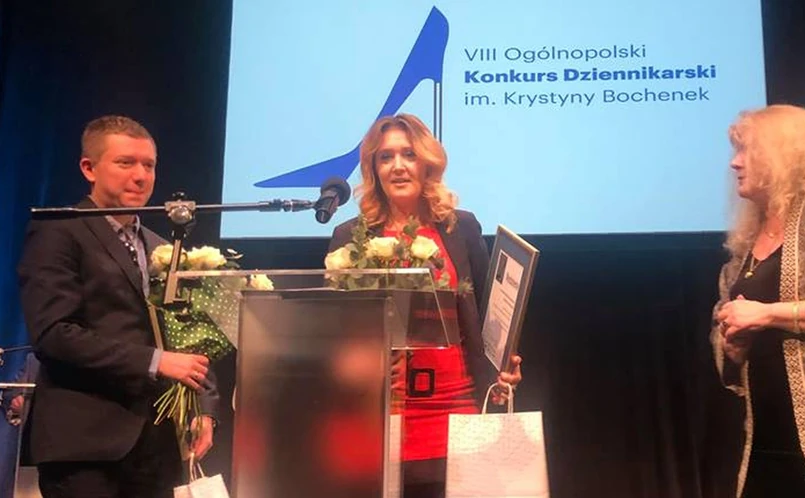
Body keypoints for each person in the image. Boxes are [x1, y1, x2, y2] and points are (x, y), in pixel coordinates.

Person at [17, 115, 219, 498]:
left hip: (157, 444)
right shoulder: (58, 232)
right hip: (86, 447)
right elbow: (54, 334)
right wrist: (155, 360)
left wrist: (203, 407)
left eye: (149, 165)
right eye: (126, 163)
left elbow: (189, 334)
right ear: (89, 168)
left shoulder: (161, 246)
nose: (140, 176)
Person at [328, 113, 522, 498]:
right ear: (373, 168)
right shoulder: (349, 237)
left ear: (427, 163)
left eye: (409, 154)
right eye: (386, 157)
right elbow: (334, 335)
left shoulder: (460, 227)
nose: (398, 166)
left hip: (457, 411)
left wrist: (503, 365)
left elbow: (485, 312)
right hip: (379, 417)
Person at [712, 104, 805, 497]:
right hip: (767, 434)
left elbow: (760, 314)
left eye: (746, 150)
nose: (735, 163)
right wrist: (733, 345)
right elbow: (725, 319)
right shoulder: (750, 239)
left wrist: (767, 315)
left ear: (782, 156)